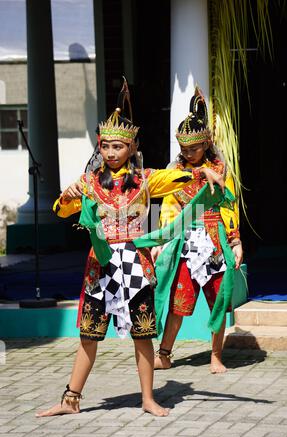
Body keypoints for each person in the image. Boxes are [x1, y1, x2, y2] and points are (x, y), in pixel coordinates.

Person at [36, 79, 225, 418]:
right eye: (106, 146)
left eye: (118, 147)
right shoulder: (90, 183)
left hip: (136, 266)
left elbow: (184, 177)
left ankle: (148, 399)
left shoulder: (146, 179)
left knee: (143, 334)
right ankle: (70, 399)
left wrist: (206, 172)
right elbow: (60, 210)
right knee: (89, 335)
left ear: (133, 147)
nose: (111, 153)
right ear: (99, 146)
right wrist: (67, 197)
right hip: (101, 265)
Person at [152, 86, 243, 374]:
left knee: (219, 302)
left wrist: (236, 241)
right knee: (179, 301)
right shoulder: (175, 173)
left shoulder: (221, 170)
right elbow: (167, 207)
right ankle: (164, 354)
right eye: (184, 149)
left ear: (206, 144)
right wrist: (162, 240)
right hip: (186, 243)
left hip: (216, 241)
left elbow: (229, 207)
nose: (188, 153)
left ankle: (216, 356)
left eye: (194, 148)